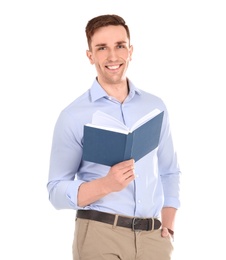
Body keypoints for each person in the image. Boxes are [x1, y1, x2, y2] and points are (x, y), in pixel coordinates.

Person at [47, 14, 181, 260]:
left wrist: (169, 225)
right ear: (90, 56)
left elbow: (169, 170)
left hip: (153, 239)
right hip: (100, 235)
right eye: (101, 48)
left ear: (130, 51)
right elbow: (55, 190)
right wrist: (106, 185)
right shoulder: (73, 116)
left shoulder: (155, 106)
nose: (112, 56)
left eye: (119, 46)